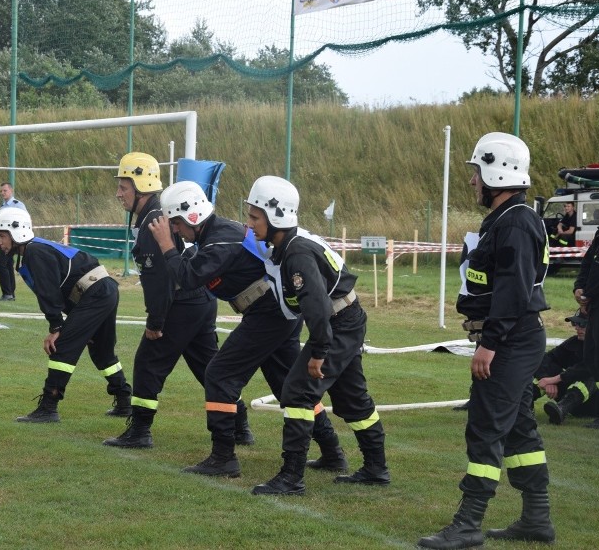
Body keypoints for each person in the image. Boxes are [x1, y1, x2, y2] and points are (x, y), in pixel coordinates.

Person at [148, 181, 346, 478]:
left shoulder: (221, 238)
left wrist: (165, 246)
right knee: (285, 384)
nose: (175, 231)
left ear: (191, 216)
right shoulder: (216, 236)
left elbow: (187, 278)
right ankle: (332, 452)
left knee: (219, 374)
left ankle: (223, 457)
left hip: (269, 312)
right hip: (274, 310)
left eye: (175, 223)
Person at [418, 132, 553, 549]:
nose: (473, 180)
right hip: (513, 336)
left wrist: (490, 343)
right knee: (518, 430)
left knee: (486, 425)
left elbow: (514, 290)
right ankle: (537, 519)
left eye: (477, 171)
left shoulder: (515, 220)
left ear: (498, 170)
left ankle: (468, 524)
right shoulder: (507, 217)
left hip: (510, 338)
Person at [244, 176, 388, 496]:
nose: (249, 223)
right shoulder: (291, 245)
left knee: (296, 391)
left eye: (254, 217)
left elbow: (317, 306)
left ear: (276, 216)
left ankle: (291, 477)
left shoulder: (296, 255)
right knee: (352, 399)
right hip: (345, 320)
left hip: (339, 323)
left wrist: (319, 350)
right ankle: (376, 468)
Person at [103, 153, 252, 449]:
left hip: (180, 303)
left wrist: (156, 322)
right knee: (209, 368)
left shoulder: (154, 221)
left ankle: (140, 430)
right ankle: (240, 424)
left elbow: (160, 280)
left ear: (141, 185)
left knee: (148, 363)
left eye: (123, 187)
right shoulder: (162, 211)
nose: (118, 193)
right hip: (200, 301)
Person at [0, 207, 131, 423]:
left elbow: (49, 292)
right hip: (102, 291)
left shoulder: (35, 252)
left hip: (95, 294)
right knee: (102, 352)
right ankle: (124, 401)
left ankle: (49, 407)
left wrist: (56, 328)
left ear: (17, 232)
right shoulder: (36, 249)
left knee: (63, 347)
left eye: (1, 236)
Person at [573, 178, 599, 434]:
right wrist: (579, 288)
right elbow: (589, 263)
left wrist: (592, 294)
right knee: (595, 355)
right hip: (598, 304)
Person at [536, 309, 599, 424]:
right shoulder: (574, 342)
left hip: (598, 404)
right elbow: (545, 358)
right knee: (545, 367)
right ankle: (522, 406)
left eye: (582, 324)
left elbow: (586, 368)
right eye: (575, 323)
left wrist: (554, 379)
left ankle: (562, 408)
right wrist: (547, 379)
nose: (577, 328)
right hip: (573, 400)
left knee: (590, 375)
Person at [0, 182, 26, 301]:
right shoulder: (3, 207)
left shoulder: (18, 205)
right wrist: (0, 239)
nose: (2, 193)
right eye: (1, 191)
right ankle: (10, 293)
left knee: (1, 264)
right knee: (7, 264)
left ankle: (7, 293)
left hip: (14, 239)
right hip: (5, 239)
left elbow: (24, 220)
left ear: (11, 191)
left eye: (5, 190)